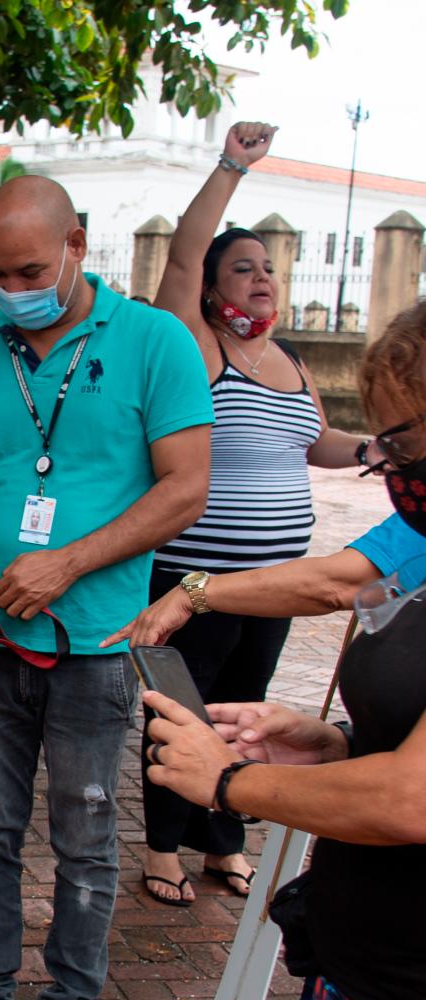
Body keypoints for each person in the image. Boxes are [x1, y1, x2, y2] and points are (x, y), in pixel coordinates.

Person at [137, 300, 426, 1000]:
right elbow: (348, 584)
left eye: (399, 435)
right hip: (361, 992)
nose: (385, 462)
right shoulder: (423, 531)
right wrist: (330, 744)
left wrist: (226, 785)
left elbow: (409, 801)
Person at [0, 175, 213, 1000]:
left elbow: (184, 489)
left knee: (87, 831)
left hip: (95, 642)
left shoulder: (155, 341)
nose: (12, 288)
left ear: (79, 245)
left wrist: (68, 562)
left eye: (31, 269)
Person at [134, 122, 375, 908]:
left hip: (270, 581)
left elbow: (319, 443)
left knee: (245, 714)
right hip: (192, 577)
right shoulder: (198, 347)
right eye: (243, 267)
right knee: (182, 712)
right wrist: (232, 166)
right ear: (211, 288)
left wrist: (380, 449)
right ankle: (162, 847)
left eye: (269, 267)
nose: (262, 278)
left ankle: (220, 840)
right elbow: (180, 252)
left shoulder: (290, 362)